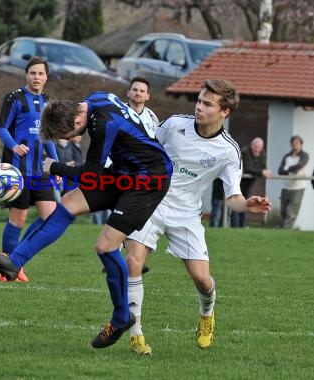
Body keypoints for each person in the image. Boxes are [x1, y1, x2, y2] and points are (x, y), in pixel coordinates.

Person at [0, 91, 172, 348]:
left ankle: (121, 317)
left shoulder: (102, 124)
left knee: (105, 246)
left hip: (149, 180)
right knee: (68, 203)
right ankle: (14, 262)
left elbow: (90, 175)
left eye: (65, 136)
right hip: (124, 173)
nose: (68, 140)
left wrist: (54, 167)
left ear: (77, 123)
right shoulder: (96, 99)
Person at [124, 79, 271, 355]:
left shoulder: (228, 150)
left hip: (186, 214)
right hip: (151, 203)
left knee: (203, 280)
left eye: (207, 104)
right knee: (133, 261)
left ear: (224, 112)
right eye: (199, 100)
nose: (199, 107)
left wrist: (247, 205)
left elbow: (234, 197)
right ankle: (136, 334)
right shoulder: (174, 125)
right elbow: (145, 153)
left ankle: (207, 315)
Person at [0, 56, 60, 282]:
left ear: (46, 77)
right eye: (33, 73)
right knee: (18, 219)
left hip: (40, 170)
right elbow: (1, 128)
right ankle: (6, 267)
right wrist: (14, 146)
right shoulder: (14, 98)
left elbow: (49, 136)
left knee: (51, 216)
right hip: (18, 169)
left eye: (41, 73)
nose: (36, 77)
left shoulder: (48, 102)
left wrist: (56, 165)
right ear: (26, 75)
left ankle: (16, 260)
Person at [231, 137, 271, 227]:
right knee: (236, 203)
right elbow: (248, 168)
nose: (257, 149)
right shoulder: (245, 152)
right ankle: (234, 226)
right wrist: (261, 172)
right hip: (239, 182)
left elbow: (263, 167)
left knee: (246, 204)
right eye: (256, 147)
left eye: (259, 147)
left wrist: (265, 171)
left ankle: (242, 225)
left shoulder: (262, 153)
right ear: (252, 145)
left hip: (248, 183)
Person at [278, 135, 309, 229]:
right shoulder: (287, 156)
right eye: (293, 143)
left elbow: (299, 166)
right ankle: (282, 232)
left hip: (298, 188)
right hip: (286, 186)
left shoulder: (304, 155)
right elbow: (280, 171)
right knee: (283, 212)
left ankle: (284, 233)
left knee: (291, 213)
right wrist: (290, 170)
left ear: (301, 144)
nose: (295, 145)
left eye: (297, 143)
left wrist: (287, 169)